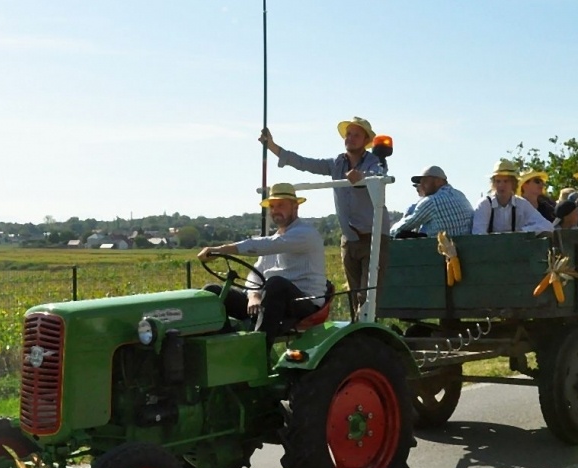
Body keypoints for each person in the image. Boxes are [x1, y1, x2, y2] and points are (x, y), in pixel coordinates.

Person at [262, 117, 387, 316]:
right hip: (349, 239)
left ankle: (367, 328)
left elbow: (378, 174)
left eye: (356, 135)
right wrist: (273, 147)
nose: (350, 138)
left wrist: (362, 176)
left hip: (373, 236)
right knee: (353, 292)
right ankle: (358, 327)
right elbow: (305, 163)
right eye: (348, 134)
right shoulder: (337, 163)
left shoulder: (374, 161)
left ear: (365, 141)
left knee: (368, 295)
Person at [198, 184, 327, 338]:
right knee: (212, 292)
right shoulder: (274, 239)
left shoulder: (305, 234)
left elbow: (265, 245)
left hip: (304, 301)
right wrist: (254, 295)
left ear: (295, 206)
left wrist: (221, 250)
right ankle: (225, 342)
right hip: (270, 300)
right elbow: (256, 273)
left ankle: (260, 346)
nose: (275, 210)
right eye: (272, 206)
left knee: (276, 283)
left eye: (281, 205)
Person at [391, 166, 473, 238]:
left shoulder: (431, 201)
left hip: (441, 247)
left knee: (400, 235)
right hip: (466, 246)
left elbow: (406, 225)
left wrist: (389, 232)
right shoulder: (459, 195)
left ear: (438, 181)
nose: (421, 186)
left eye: (424, 182)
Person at [473, 160, 555, 234]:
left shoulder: (521, 204)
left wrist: (522, 232)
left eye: (506, 181)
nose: (501, 185)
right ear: (493, 184)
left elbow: (547, 226)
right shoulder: (484, 204)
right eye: (498, 181)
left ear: (513, 183)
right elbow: (478, 234)